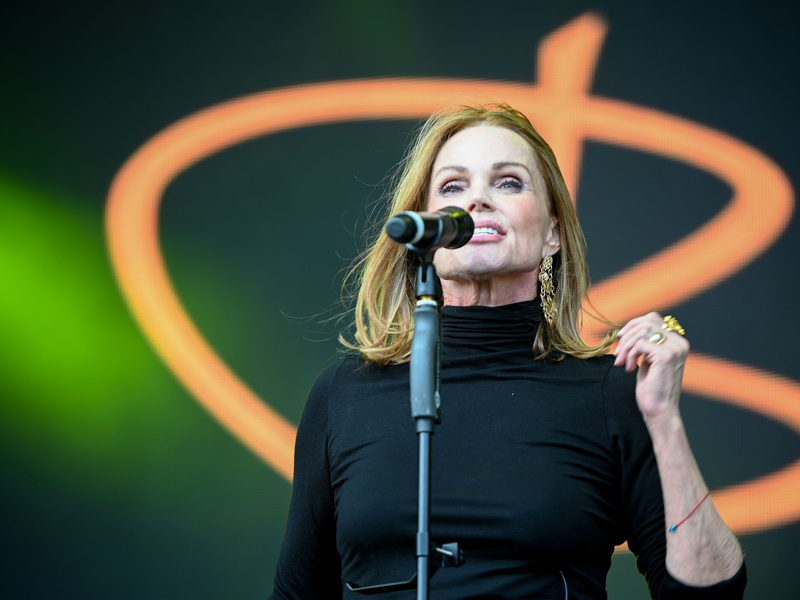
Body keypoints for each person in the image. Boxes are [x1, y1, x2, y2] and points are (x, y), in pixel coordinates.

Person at [269, 105, 746, 599]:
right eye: (453, 187)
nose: (477, 199)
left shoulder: (610, 393)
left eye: (509, 183)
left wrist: (664, 420)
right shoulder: (345, 394)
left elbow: (711, 595)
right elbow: (297, 592)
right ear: (424, 230)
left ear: (552, 235)